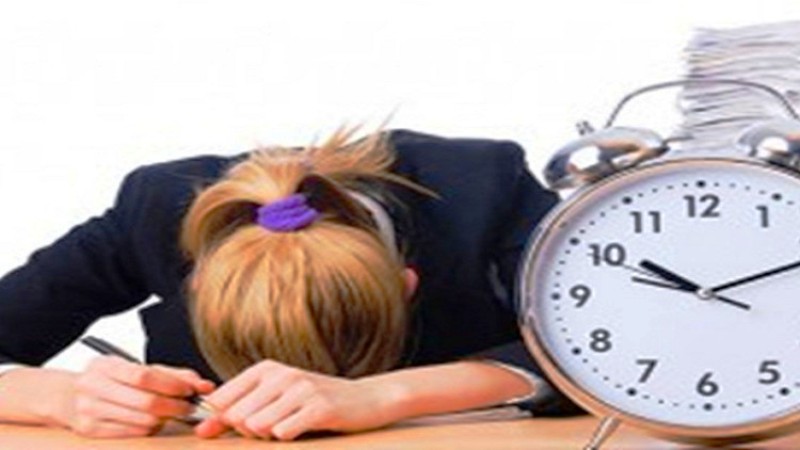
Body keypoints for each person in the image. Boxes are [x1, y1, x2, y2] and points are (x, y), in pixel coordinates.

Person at [0, 128, 581, 440]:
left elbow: (602, 354)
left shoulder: (484, 189)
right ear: (196, 288)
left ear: (407, 286)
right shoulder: (151, 210)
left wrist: (383, 396)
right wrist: (59, 397)